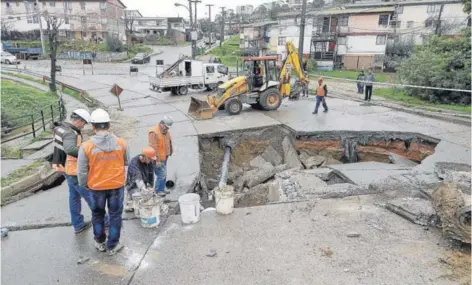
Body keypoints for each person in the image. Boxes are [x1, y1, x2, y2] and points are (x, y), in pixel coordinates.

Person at [77, 108, 129, 255]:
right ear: (109, 125)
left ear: (93, 126)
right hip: (116, 187)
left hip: (96, 187)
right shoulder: (121, 143)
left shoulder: (86, 146)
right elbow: (127, 161)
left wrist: (85, 185)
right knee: (115, 215)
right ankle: (113, 245)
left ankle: (100, 242)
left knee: (98, 215)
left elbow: (81, 171)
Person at [52, 109, 96, 234]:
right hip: (73, 170)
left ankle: (78, 224)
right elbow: (70, 149)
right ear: (79, 121)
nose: (83, 126)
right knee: (90, 196)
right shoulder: (70, 133)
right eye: (84, 123)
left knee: (74, 197)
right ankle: (105, 221)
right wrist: (87, 153)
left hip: (63, 167)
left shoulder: (60, 128)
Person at [124, 147, 157, 212]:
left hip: (143, 180)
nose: (151, 161)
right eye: (150, 159)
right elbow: (137, 176)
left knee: (143, 199)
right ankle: (128, 205)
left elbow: (151, 174)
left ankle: (138, 206)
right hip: (133, 183)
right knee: (135, 194)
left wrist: (150, 186)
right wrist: (143, 188)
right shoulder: (134, 162)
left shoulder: (149, 162)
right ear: (145, 157)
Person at [148, 116, 173, 197]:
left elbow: (168, 142)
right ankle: (158, 190)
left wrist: (169, 153)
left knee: (164, 173)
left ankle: (162, 188)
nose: (166, 129)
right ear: (162, 123)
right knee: (161, 174)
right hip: (158, 159)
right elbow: (153, 148)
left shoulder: (165, 131)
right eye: (165, 127)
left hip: (164, 157)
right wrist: (157, 160)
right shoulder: (154, 132)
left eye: (168, 128)